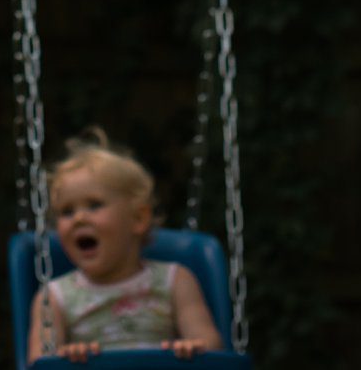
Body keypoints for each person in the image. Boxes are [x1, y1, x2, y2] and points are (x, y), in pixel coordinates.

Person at [26, 128, 224, 362]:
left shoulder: (175, 281)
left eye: (94, 205)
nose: (78, 218)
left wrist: (192, 348)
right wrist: (66, 359)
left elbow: (211, 348)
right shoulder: (55, 297)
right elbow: (39, 363)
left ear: (138, 219)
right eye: (67, 211)